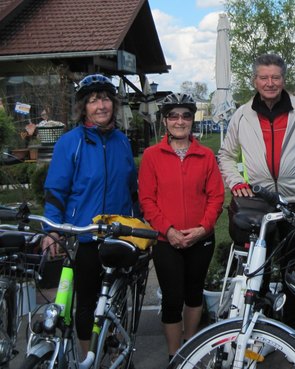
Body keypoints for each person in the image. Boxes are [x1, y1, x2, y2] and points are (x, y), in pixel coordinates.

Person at [217, 53, 295, 329]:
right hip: (257, 203)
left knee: (292, 267)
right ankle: (259, 328)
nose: (270, 83)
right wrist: (236, 182)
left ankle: (291, 328)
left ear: (283, 79)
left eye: (275, 77)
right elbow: (225, 154)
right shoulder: (242, 114)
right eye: (264, 77)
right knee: (258, 269)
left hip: (294, 200)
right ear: (254, 80)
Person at [41, 73, 138, 356]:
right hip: (85, 236)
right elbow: (55, 190)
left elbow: (132, 189)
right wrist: (53, 229)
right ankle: (87, 357)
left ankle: (112, 347)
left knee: (114, 299)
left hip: (120, 234)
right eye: (94, 101)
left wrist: (143, 224)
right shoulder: (71, 142)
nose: (101, 106)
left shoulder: (122, 142)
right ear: (84, 107)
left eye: (106, 99)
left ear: (113, 104)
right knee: (85, 301)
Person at [138, 93, 225, 361]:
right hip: (167, 241)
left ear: (192, 120)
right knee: (172, 299)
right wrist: (169, 231)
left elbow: (216, 196)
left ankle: (191, 348)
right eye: (173, 115)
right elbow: (147, 200)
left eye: (186, 115)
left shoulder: (205, 155)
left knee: (194, 294)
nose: (180, 121)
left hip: (201, 238)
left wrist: (202, 228)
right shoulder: (152, 155)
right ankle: (175, 356)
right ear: (165, 121)